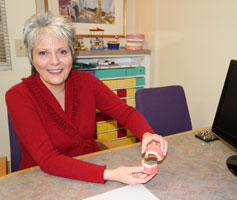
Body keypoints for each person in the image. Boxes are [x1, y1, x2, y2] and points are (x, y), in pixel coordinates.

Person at [5, 12, 168, 184]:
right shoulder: (18, 96)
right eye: (43, 53)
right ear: (32, 58)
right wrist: (111, 174)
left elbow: (125, 113)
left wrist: (146, 133)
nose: (54, 61)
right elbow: (48, 160)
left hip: (90, 170)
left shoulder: (86, 82)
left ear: (72, 54)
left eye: (62, 51)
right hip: (42, 180)